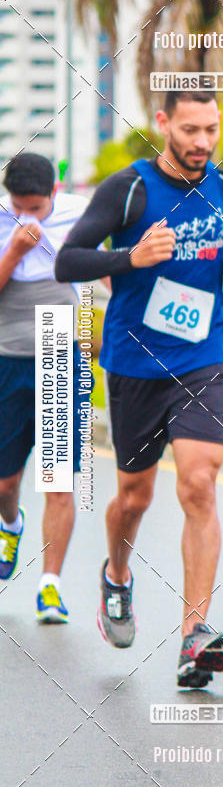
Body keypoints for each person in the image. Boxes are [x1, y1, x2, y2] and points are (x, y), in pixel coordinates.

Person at [55, 89, 223, 690]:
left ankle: (195, 635)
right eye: (190, 129)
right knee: (135, 499)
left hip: (202, 358)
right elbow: (69, 262)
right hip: (135, 363)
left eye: (211, 130)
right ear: (163, 123)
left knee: (199, 483)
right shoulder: (130, 188)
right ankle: (117, 575)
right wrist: (132, 257)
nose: (201, 143)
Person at [0, 152, 91, 622]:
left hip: (60, 348)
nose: (27, 215)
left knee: (57, 480)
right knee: (5, 481)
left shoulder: (80, 213)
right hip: (6, 356)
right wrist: (14, 250)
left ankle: (50, 585)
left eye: (35, 207)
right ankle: (10, 524)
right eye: (19, 205)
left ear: (53, 194)